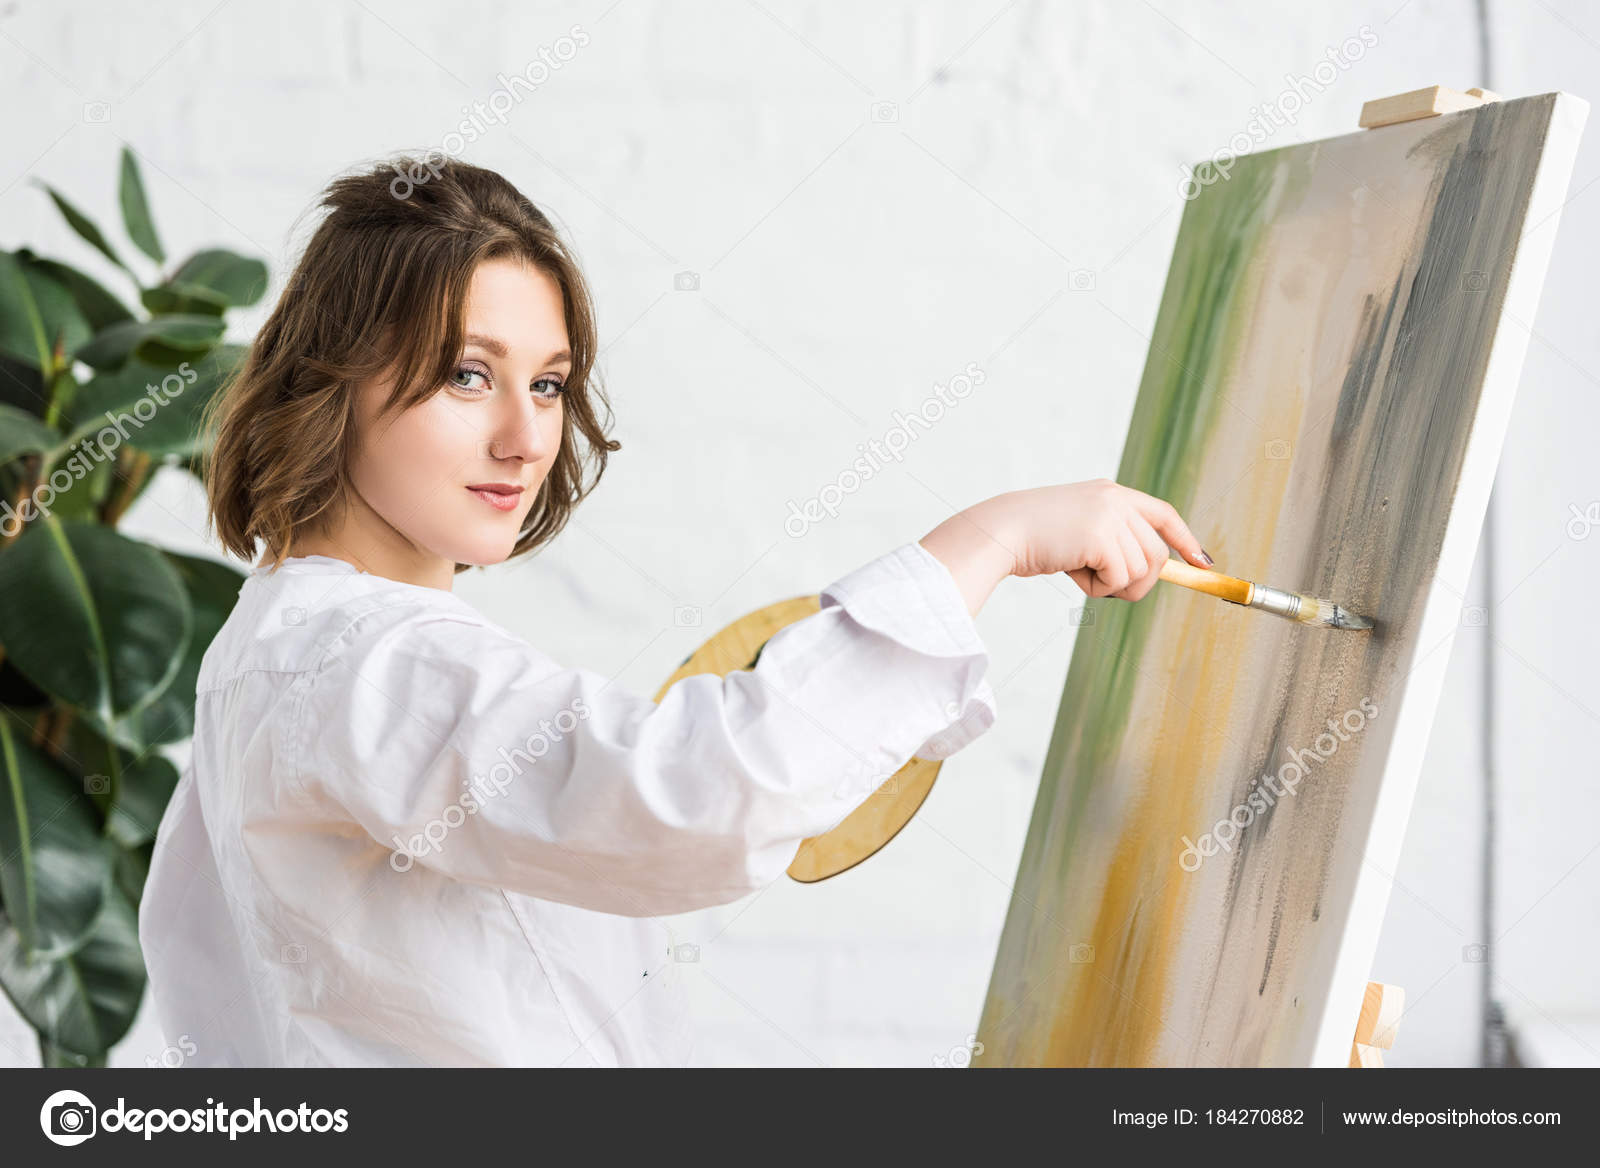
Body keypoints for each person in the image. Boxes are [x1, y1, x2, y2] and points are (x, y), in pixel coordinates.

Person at [137, 155, 1212, 1067]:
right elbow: (702, 792)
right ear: (334, 384)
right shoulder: (365, 661)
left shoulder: (272, 644)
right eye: (469, 375)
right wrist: (992, 541)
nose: (525, 437)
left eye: (550, 384)